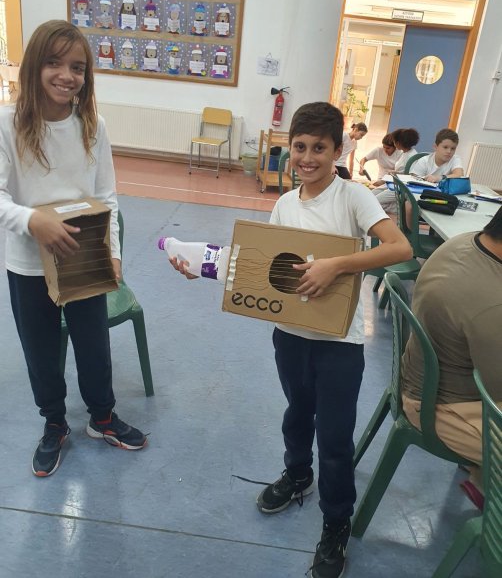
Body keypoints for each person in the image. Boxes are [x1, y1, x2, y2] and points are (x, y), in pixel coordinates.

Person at [168, 102, 412, 578]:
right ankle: (298, 473)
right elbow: (261, 266)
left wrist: (336, 265)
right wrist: (206, 269)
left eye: (319, 148)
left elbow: (399, 247)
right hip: (290, 336)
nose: (307, 157)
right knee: (297, 413)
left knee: (335, 438)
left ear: (337, 150)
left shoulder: (352, 198)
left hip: (339, 344)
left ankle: (336, 522)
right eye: (299, 147)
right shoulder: (285, 203)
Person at [0, 20, 147, 478]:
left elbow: (107, 196)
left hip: (85, 259)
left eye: (78, 67)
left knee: (94, 344)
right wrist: (33, 222)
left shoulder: (92, 126)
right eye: (54, 63)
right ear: (34, 66)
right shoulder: (7, 123)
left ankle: (102, 417)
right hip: (29, 264)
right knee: (41, 351)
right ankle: (54, 423)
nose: (67, 76)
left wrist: (113, 253)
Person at [401, 206, 502, 507]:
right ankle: (489, 484)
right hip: (441, 407)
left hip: (426, 374)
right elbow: (497, 390)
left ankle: (482, 479)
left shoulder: (466, 242)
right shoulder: (490, 303)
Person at [375, 127, 420, 213]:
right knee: (372, 194)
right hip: (394, 182)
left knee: (375, 201)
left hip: (401, 186)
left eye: (394, 141)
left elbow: (410, 176)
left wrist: (393, 173)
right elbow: (402, 171)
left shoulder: (412, 156)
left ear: (398, 143)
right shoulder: (404, 153)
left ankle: (399, 209)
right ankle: (395, 207)